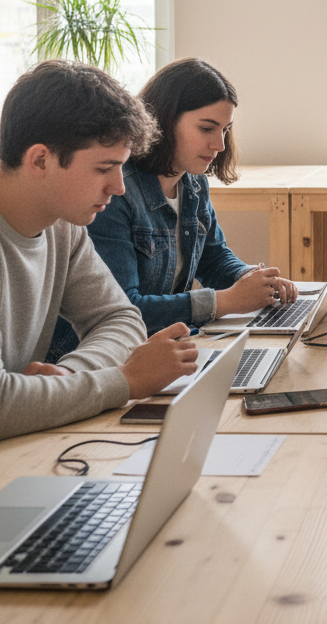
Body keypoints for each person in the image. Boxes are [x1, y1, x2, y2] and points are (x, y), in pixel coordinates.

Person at [0, 60, 197, 439]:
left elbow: (120, 318)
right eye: (104, 168)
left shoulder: (63, 227)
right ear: (40, 159)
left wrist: (70, 375)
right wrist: (124, 381)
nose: (119, 187)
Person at [86, 58, 297, 336]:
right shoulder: (115, 192)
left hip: (167, 343)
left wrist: (251, 279)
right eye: (207, 128)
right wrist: (227, 300)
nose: (220, 145)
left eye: (225, 129)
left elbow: (213, 258)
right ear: (164, 120)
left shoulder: (194, 182)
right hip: (114, 354)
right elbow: (125, 310)